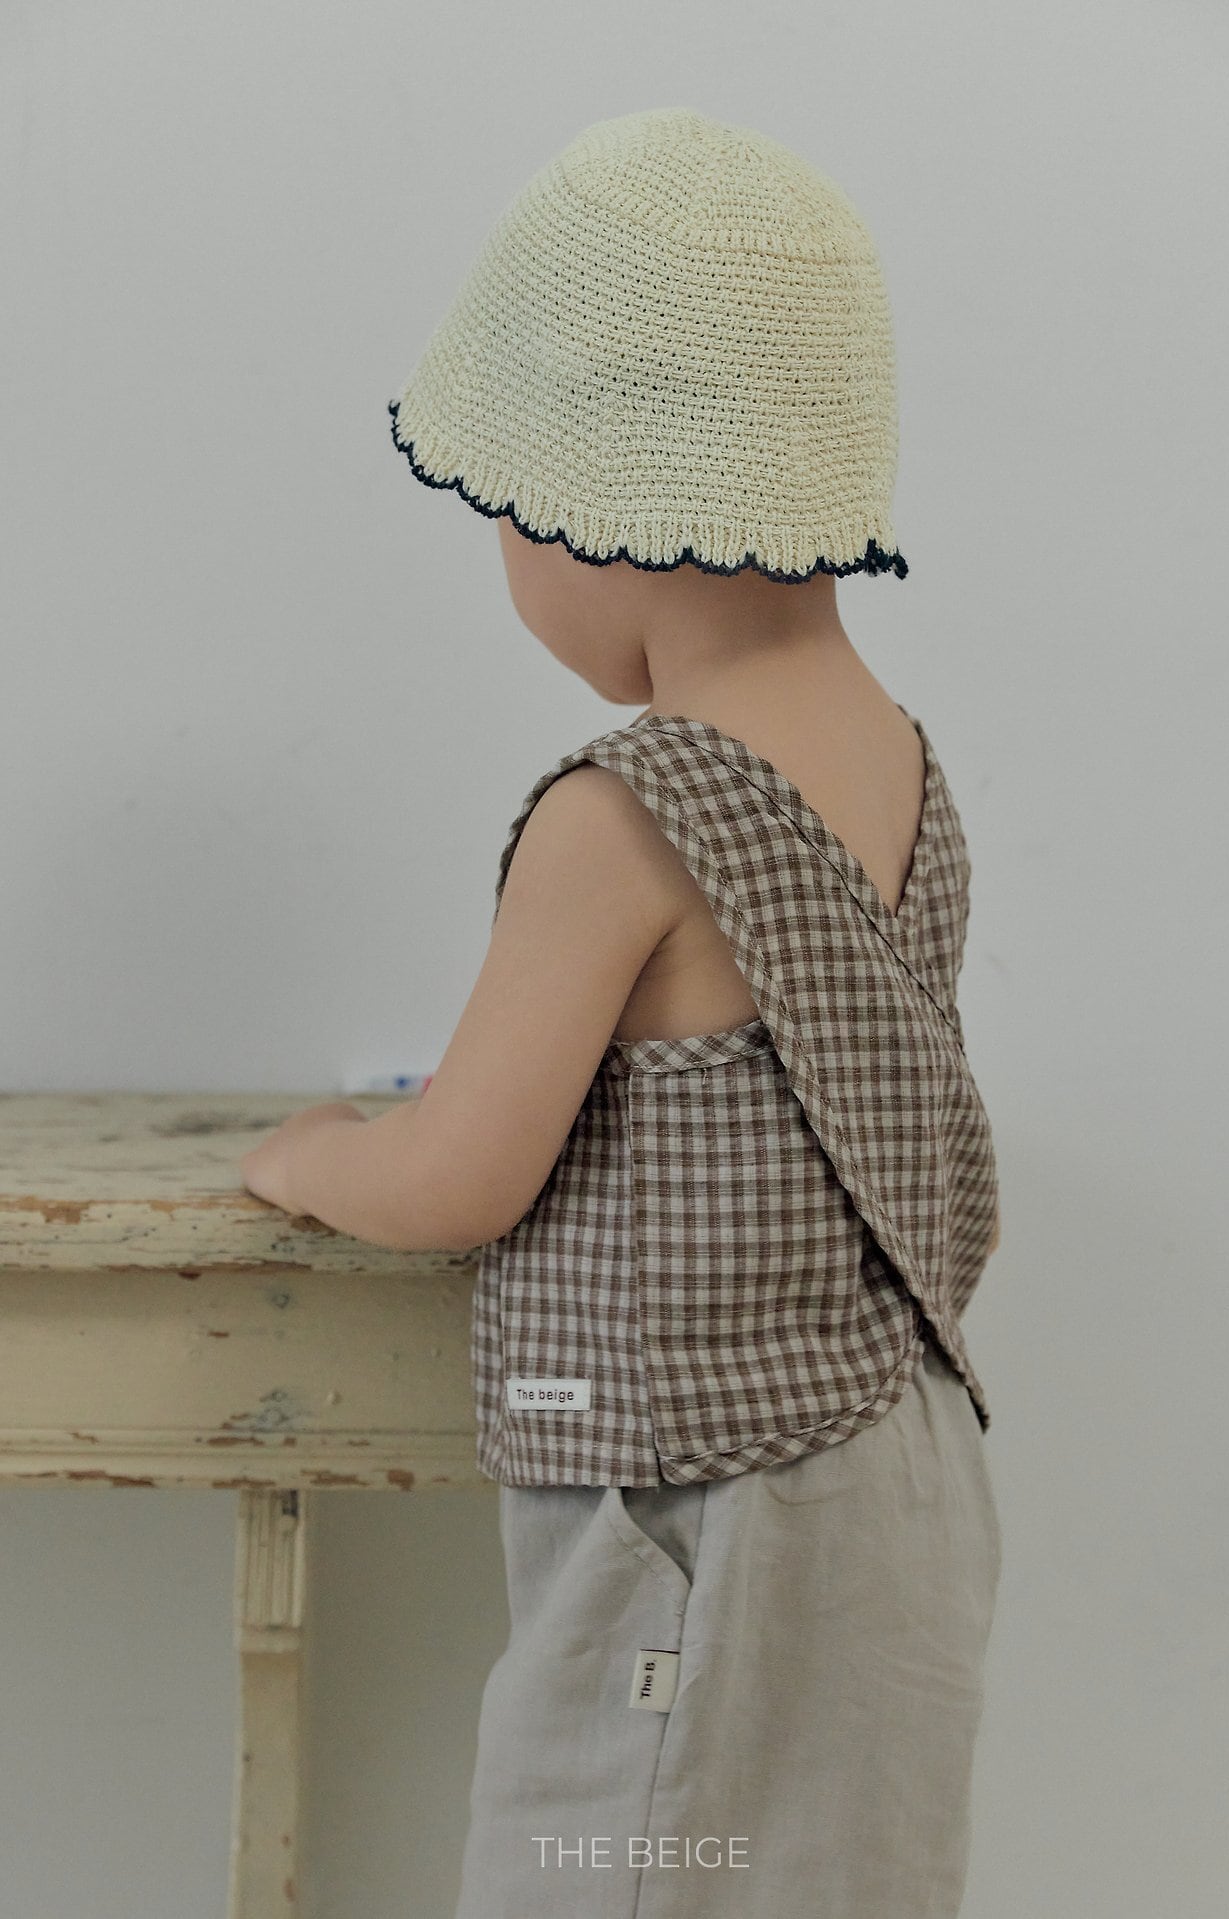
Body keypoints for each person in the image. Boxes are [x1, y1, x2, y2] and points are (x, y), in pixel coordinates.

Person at [244, 106, 1003, 1919]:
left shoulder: (626, 811)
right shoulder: (897, 762)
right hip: (897, 1473)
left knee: (613, 1874)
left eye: (506, 520)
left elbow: (461, 1176)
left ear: (598, 514)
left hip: (701, 1519)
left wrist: (319, 1158)